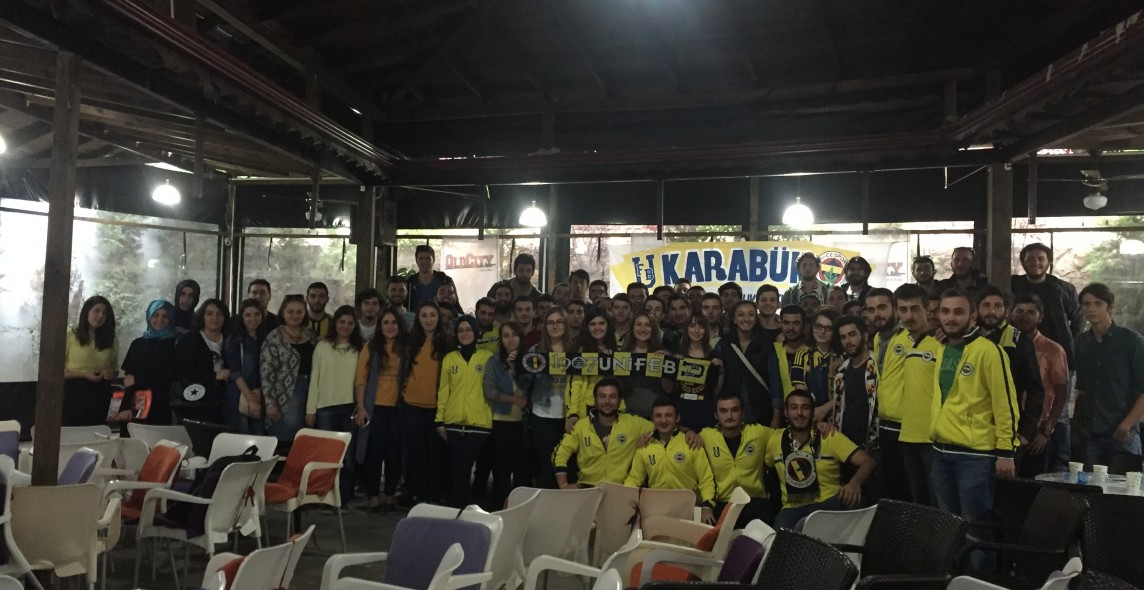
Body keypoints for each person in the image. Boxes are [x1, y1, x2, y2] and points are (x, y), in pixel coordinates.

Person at [930, 288, 1018, 573]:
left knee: (976, 530)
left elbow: (1005, 404)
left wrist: (1006, 451)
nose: (951, 318)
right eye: (945, 312)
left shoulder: (989, 351)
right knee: (949, 527)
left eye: (958, 312)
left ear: (973, 316)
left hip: (975, 455)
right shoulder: (941, 348)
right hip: (940, 450)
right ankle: (956, 581)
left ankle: (980, 583)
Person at [1011, 242, 1083, 469]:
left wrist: (1067, 343)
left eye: (1040, 258)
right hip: (1023, 347)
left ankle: (1059, 465)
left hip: (1052, 354)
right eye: (1030, 258)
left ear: (1048, 262)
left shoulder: (1062, 288)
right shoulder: (1014, 284)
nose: (1035, 262)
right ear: (1022, 262)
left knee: (1058, 415)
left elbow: (1078, 318)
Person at [767, 389, 876, 530]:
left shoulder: (829, 436)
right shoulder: (774, 441)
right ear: (786, 413)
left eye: (805, 408)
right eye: (794, 408)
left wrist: (855, 483)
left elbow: (868, 462)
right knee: (780, 534)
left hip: (828, 504)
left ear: (813, 412)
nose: (799, 413)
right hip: (792, 509)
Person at [976, 285, 1046, 475]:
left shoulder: (1019, 340)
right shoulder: (968, 338)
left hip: (1009, 431)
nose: (991, 311)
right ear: (977, 309)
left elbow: (1035, 389)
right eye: (986, 305)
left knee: (1005, 489)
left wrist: (1027, 431)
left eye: (997, 306)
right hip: (974, 431)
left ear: (1006, 311)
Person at [1074, 283, 1144, 468]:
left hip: (1122, 432)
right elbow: (1082, 389)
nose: (1092, 309)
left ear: (1110, 307)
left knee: (1122, 485)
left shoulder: (1131, 341)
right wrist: (1077, 424)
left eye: (1098, 303)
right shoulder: (1081, 342)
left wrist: (1126, 425)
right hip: (1091, 433)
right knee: (1091, 485)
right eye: (1087, 304)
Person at [306, 305, 364, 506]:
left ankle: (342, 500)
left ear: (355, 326)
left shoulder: (360, 348)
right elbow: (314, 379)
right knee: (325, 456)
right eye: (342, 322)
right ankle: (323, 497)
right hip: (325, 408)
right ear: (335, 323)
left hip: (350, 407)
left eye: (350, 323)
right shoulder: (322, 347)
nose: (345, 326)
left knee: (347, 458)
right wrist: (310, 410)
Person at [890, 284, 943, 505]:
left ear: (927, 309)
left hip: (934, 437)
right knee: (918, 502)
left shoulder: (942, 342)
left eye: (914, 309)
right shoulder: (897, 339)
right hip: (907, 434)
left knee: (938, 502)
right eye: (903, 310)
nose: (908, 316)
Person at [626, 397, 717, 524]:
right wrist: (623, 498)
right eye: (658, 416)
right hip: (657, 509)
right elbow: (634, 479)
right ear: (652, 419)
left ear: (677, 418)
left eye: (668, 415)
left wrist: (707, 507)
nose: (663, 420)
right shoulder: (645, 446)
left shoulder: (691, 443)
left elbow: (706, 479)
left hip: (689, 509)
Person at [436, 315, 495, 507]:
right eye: (460, 330)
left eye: (468, 329)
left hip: (479, 424)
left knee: (463, 465)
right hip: (453, 423)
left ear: (475, 332)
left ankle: (458, 506)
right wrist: (439, 419)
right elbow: (444, 390)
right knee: (457, 467)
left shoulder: (487, 357)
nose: (465, 333)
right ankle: (461, 507)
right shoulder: (450, 358)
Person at [554, 378, 655, 488]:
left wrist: (648, 436)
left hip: (622, 489)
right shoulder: (581, 426)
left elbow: (661, 426)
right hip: (587, 488)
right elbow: (559, 454)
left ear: (620, 400)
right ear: (595, 400)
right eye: (602, 396)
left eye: (612, 397)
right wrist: (564, 485)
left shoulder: (633, 423)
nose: (607, 401)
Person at [355, 307, 407, 513]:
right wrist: (361, 408)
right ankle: (374, 497)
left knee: (395, 454)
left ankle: (390, 496)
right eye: (386, 322)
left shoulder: (406, 348)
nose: (390, 326)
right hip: (374, 408)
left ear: (400, 325)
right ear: (380, 326)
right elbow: (361, 380)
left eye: (394, 322)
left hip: (399, 409)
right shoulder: (370, 347)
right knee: (373, 455)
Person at [1011, 293, 1069, 477]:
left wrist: (1046, 431)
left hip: (1037, 432)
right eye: (1019, 311)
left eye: (1031, 312)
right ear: (1010, 314)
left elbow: (1061, 393)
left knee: (1032, 484)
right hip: (1007, 429)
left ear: (1040, 317)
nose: (1024, 317)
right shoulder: (1003, 345)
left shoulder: (1053, 350)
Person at [701, 394, 777, 527]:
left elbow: (784, 434)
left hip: (755, 501)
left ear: (743, 413)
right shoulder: (706, 436)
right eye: (723, 411)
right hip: (724, 503)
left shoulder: (758, 433)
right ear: (716, 415)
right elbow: (681, 437)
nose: (729, 415)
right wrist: (688, 431)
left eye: (734, 410)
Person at [402, 300, 451, 504]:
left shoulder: (447, 343)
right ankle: (418, 495)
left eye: (432, 315)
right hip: (412, 406)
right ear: (418, 319)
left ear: (439, 318)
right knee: (416, 454)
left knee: (436, 455)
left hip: (437, 408)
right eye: (424, 315)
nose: (428, 320)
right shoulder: (411, 342)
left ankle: (435, 496)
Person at [520, 306, 574, 487]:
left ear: (565, 324)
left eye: (559, 322)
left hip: (571, 415)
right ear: (545, 326)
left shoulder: (576, 350)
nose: (555, 326)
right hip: (542, 415)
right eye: (550, 322)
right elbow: (524, 382)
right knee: (547, 465)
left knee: (569, 464)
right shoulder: (536, 350)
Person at [866, 286, 909, 501]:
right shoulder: (876, 339)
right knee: (893, 487)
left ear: (894, 308)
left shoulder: (910, 336)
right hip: (884, 424)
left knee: (910, 490)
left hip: (907, 425)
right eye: (872, 310)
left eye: (882, 307)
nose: (877, 314)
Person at [483, 321, 530, 507]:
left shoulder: (529, 360)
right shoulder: (493, 361)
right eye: (506, 336)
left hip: (523, 421)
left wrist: (516, 367)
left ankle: (519, 509)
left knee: (521, 469)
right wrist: (512, 399)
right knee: (501, 469)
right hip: (501, 420)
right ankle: (499, 508)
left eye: (514, 335)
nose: (511, 339)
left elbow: (530, 387)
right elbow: (489, 391)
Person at [716, 300, 776, 426]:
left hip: (761, 410)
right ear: (734, 319)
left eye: (751, 314)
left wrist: (777, 416)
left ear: (756, 318)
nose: (746, 319)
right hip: (731, 411)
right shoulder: (724, 345)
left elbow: (774, 381)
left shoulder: (766, 344)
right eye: (741, 315)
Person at [262, 295, 313, 444]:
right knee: (286, 436)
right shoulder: (274, 337)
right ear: (283, 313)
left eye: (299, 312)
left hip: (310, 391)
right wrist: (270, 404)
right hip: (284, 395)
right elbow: (266, 372)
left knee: (304, 437)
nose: (295, 315)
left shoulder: (310, 334)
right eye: (290, 312)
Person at [173, 299, 230, 424]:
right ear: (202, 316)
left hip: (225, 403)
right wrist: (214, 376)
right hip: (196, 404)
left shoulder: (231, 340)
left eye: (219, 314)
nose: (214, 318)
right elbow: (182, 373)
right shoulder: (189, 340)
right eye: (209, 313)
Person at [121, 300, 177, 426]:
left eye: (165, 316)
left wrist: (139, 379)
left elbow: (172, 375)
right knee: (135, 436)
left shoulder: (176, 344)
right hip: (138, 403)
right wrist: (125, 407)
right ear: (149, 316)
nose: (160, 320)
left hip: (164, 404)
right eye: (156, 315)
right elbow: (129, 380)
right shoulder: (137, 344)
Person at [827, 316, 878, 450]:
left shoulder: (877, 366)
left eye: (852, 334)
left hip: (873, 443)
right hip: (845, 443)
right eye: (843, 337)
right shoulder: (842, 371)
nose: (848, 341)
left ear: (865, 336)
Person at [566, 307, 618, 429]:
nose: (597, 328)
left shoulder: (614, 348)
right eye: (593, 324)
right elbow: (575, 384)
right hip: (587, 408)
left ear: (608, 325)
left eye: (601, 323)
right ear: (587, 327)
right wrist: (573, 413)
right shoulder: (580, 349)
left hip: (610, 406)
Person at [671, 312, 723, 431]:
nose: (696, 330)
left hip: (705, 410)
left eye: (701, 326)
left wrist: (721, 372)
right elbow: (671, 389)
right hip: (681, 410)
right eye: (692, 326)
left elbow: (715, 392)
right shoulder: (677, 352)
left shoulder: (713, 355)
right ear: (686, 328)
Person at [222, 299, 264, 434]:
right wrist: (251, 398)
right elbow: (235, 372)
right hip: (238, 394)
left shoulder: (264, 339)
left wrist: (259, 391)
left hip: (259, 394)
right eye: (248, 315)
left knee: (258, 437)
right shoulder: (235, 340)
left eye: (256, 314)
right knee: (241, 435)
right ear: (242, 317)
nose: (253, 319)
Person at [621, 311, 670, 419]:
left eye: (647, 325)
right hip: (628, 415)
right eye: (639, 324)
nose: (643, 329)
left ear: (653, 329)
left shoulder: (662, 354)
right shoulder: (622, 355)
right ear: (632, 328)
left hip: (658, 417)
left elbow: (669, 390)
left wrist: (665, 366)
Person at [791, 308, 840, 411]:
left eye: (828, 328)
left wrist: (825, 409)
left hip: (839, 412)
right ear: (812, 327)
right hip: (811, 412)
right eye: (818, 326)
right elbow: (800, 392)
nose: (822, 331)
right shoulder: (802, 354)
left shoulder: (842, 356)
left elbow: (849, 390)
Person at [769, 305, 810, 418]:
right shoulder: (774, 350)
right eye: (786, 323)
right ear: (781, 324)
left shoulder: (813, 351)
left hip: (810, 413)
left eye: (796, 323)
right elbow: (774, 386)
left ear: (803, 325)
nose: (791, 328)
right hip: (782, 415)